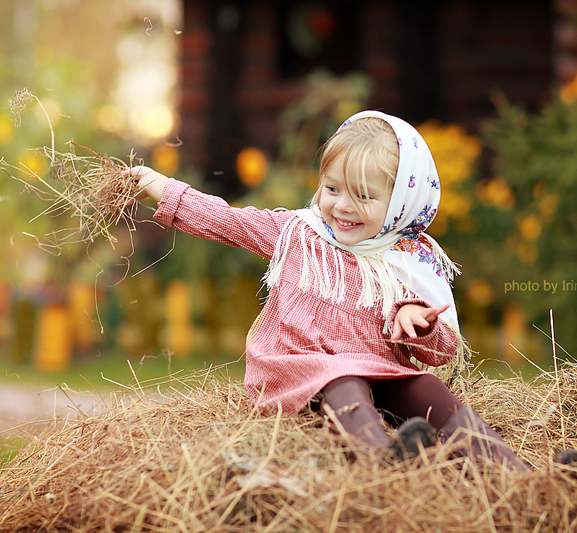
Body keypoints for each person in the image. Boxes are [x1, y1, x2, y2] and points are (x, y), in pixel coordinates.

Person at [128, 111, 528, 470]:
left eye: (363, 196)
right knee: (342, 376)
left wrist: (419, 324)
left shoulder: (409, 261)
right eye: (333, 189)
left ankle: (516, 474)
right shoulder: (298, 233)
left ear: (399, 205)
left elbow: (441, 354)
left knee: (426, 386)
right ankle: (382, 461)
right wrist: (164, 188)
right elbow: (227, 220)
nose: (342, 207)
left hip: (376, 370)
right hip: (299, 367)